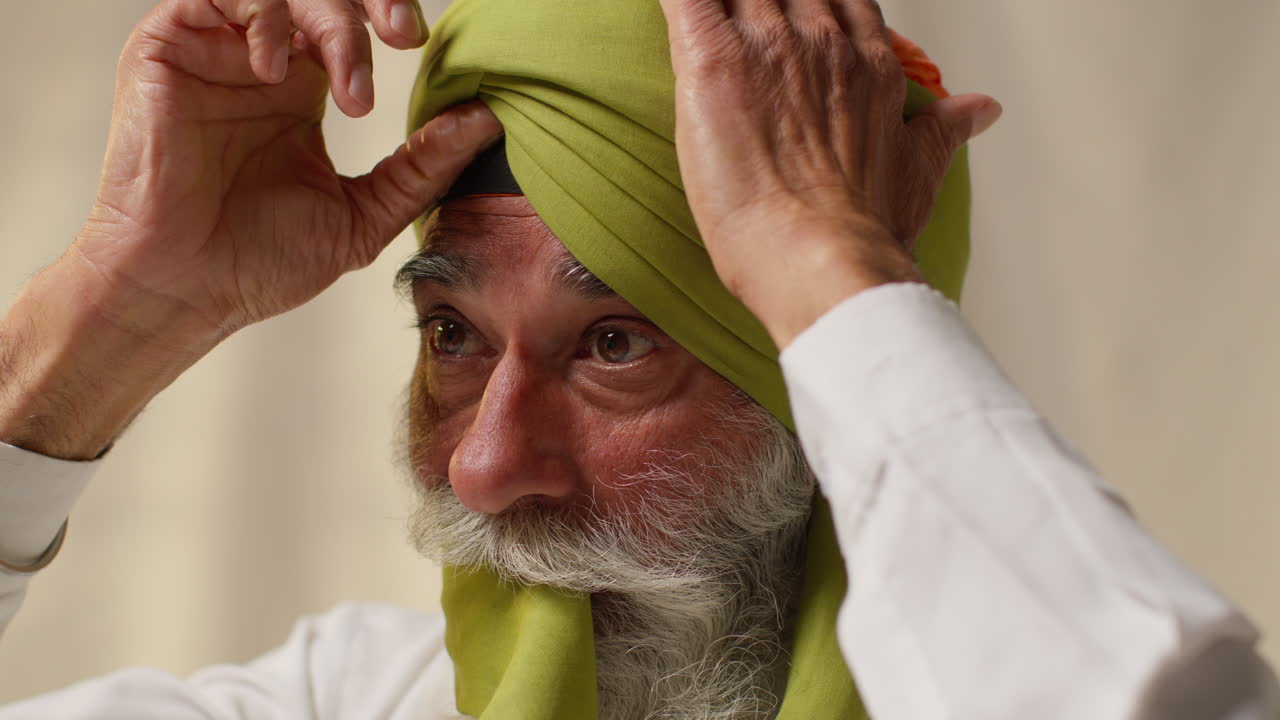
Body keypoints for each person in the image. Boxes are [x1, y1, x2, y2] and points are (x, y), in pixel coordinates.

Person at [0, 0, 1275, 718]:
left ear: (824, 366)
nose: (490, 466)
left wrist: (817, 253)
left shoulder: (1030, 652)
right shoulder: (360, 698)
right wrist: (106, 325)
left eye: (614, 344)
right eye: (451, 336)